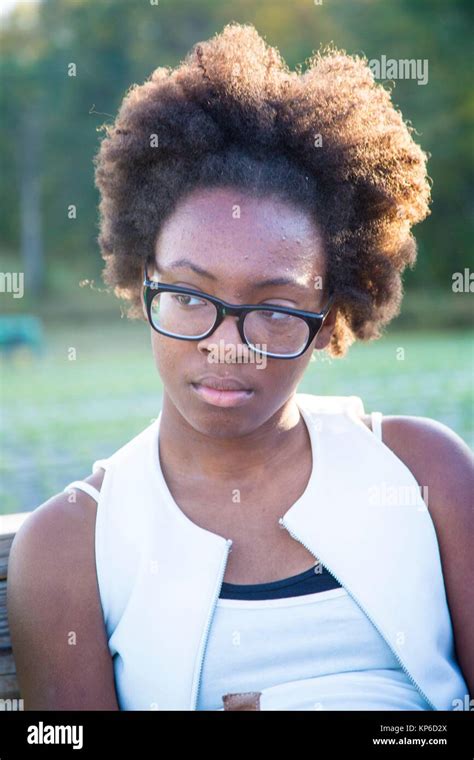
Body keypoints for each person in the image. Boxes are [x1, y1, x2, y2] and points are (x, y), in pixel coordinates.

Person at [7, 23, 473, 711]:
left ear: (333, 314)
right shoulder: (68, 545)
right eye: (190, 297)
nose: (226, 344)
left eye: (276, 307)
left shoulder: (427, 473)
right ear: (143, 283)